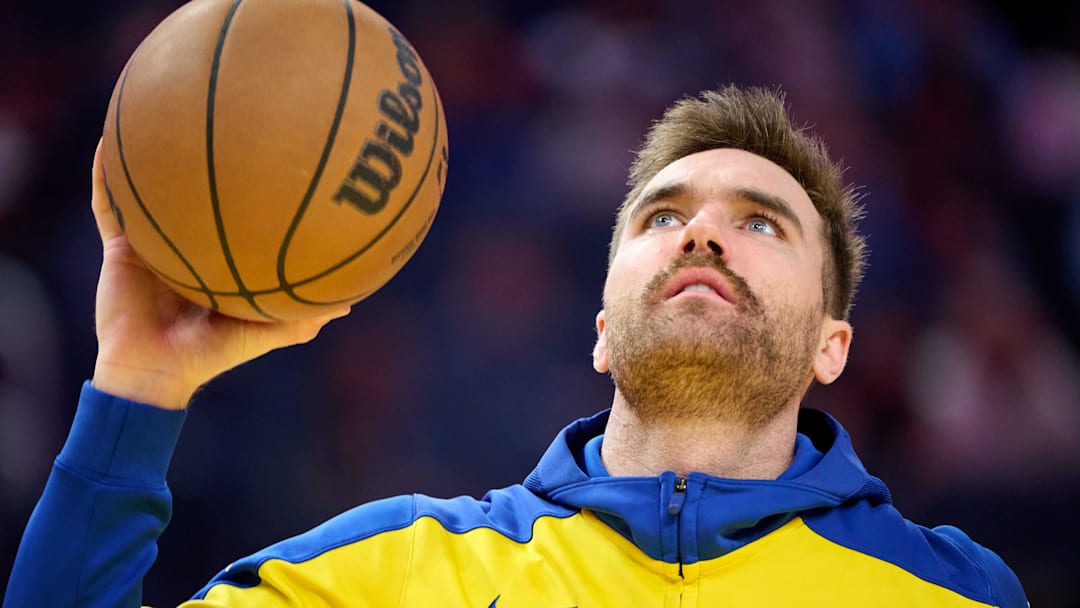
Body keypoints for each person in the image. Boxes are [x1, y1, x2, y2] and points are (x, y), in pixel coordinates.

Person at [4, 86, 1027, 607]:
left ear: (831, 344)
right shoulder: (397, 568)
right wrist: (137, 384)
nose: (703, 232)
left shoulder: (952, 587)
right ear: (601, 332)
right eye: (661, 215)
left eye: (761, 222)